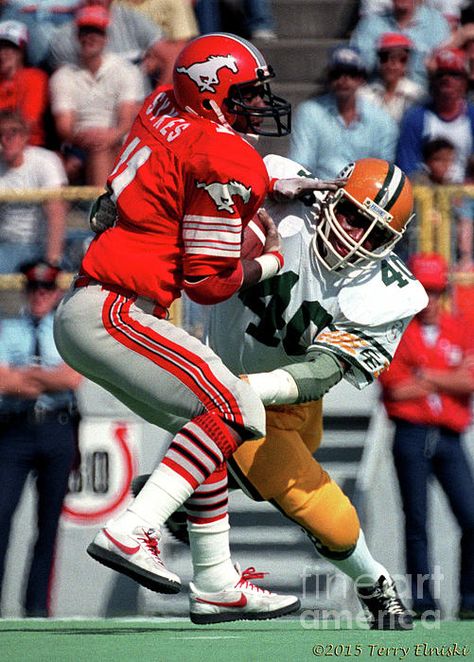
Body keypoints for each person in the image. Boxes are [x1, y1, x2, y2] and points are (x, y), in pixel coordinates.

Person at [53, 32, 312, 624]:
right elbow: (208, 282)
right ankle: (134, 528)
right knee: (235, 409)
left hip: (96, 306)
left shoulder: (161, 106)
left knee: (206, 431)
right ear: (212, 92)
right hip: (117, 309)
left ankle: (217, 580)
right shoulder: (226, 155)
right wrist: (266, 254)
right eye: (244, 93)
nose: (256, 104)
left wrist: (264, 186)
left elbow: (178, 169)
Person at [132, 154, 428, 629]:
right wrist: (259, 185)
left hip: (294, 389)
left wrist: (246, 389)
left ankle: (189, 492)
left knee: (294, 450)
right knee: (325, 512)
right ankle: (377, 584)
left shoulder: (389, 289)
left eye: (373, 233)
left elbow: (324, 370)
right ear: (331, 195)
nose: (355, 236)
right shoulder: (285, 205)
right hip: (230, 380)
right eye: (352, 215)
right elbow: (213, 171)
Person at [379, 253, 474, 620]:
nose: (431, 300)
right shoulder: (396, 331)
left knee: (470, 517)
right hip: (411, 432)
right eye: (425, 292)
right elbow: (395, 389)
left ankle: (468, 599)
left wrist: (426, 375)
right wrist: (446, 375)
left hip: (449, 434)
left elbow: (469, 380)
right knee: (416, 521)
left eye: (436, 292)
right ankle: (423, 601)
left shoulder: (460, 327)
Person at [0, 259, 81, 617]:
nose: (40, 296)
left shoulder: (64, 331)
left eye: (46, 289)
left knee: (47, 526)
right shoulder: (8, 330)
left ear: (56, 293)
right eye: (34, 289)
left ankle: (36, 610)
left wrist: (27, 375)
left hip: (56, 427)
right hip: (14, 429)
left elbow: (71, 379)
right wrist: (44, 375)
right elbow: (4, 383)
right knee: (1, 517)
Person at [49, 5, 145, 186]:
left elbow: (125, 123)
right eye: (84, 32)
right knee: (96, 151)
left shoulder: (126, 70)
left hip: (118, 141)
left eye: (96, 32)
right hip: (78, 143)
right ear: (77, 37)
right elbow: (65, 128)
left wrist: (107, 137)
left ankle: (98, 208)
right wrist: (88, 137)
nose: (89, 37)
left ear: (105, 38)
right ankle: (101, 209)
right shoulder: (63, 76)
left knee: (101, 151)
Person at [289, 45, 398, 179]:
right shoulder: (309, 112)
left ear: (361, 79)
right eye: (337, 74)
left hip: (365, 194)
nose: (343, 80)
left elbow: (385, 170)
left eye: (352, 73)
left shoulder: (382, 120)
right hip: (319, 193)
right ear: (329, 78)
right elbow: (300, 164)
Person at [0, 110, 68, 273]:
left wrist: (51, 263)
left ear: (25, 136)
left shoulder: (45, 161)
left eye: (13, 132)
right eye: (1, 133)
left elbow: (56, 214)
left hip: (42, 243)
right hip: (7, 244)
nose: (6, 139)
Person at [396, 46, 474, 183]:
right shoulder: (415, 118)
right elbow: (407, 168)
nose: (446, 79)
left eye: (454, 74)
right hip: (427, 194)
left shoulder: (472, 117)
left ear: (465, 82)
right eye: (441, 74)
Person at [48, 0, 165, 90]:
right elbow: (64, 90)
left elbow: (169, 56)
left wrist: (157, 102)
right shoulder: (64, 38)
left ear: (106, 38)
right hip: (94, 113)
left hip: (141, 109)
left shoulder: (131, 18)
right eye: (85, 32)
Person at [350, 0, 451, 90]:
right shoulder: (370, 24)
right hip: (378, 95)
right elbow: (358, 66)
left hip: (422, 97)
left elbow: (444, 65)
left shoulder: (436, 23)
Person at [0, 19, 49, 146]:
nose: (2, 54)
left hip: (28, 146)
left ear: (21, 51)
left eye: (9, 48)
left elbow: (28, 122)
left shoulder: (34, 77)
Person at [358, 32, 425, 123]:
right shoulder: (363, 94)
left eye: (401, 59)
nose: (391, 64)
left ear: (407, 63)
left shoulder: (418, 96)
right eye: (384, 57)